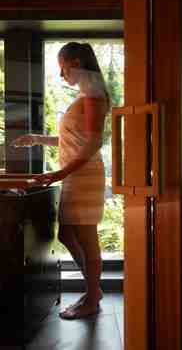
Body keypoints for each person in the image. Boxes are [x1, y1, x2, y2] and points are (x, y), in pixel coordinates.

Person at [12, 42, 110, 319]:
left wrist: (58, 174)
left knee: (87, 238)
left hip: (83, 175)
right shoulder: (85, 95)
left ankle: (92, 298)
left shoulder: (93, 96)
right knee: (67, 234)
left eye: (62, 67)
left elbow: (91, 145)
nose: (61, 74)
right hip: (75, 174)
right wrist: (36, 139)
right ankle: (94, 290)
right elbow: (72, 140)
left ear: (76, 63)